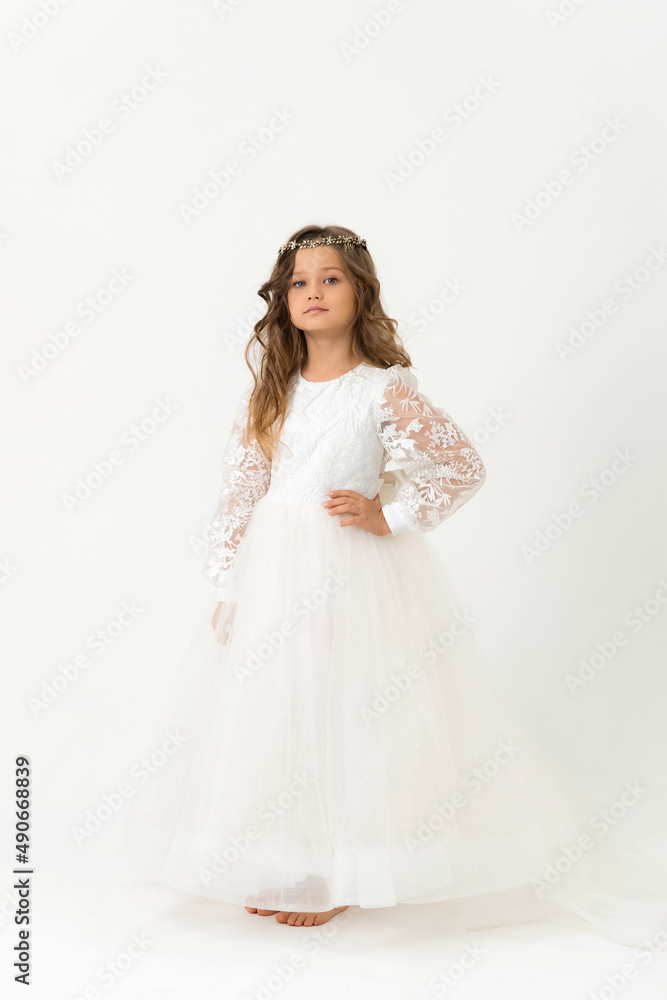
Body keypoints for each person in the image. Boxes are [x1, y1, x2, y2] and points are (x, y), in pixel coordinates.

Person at [120, 225, 667, 942]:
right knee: (279, 709)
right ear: (282, 302)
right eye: (298, 282)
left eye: (330, 278)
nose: (312, 292)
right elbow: (241, 494)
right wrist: (230, 587)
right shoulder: (271, 393)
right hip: (273, 573)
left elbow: (460, 466)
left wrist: (393, 513)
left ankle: (347, 872)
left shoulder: (382, 390)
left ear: (360, 291)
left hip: (350, 572)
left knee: (348, 708)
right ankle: (298, 856)